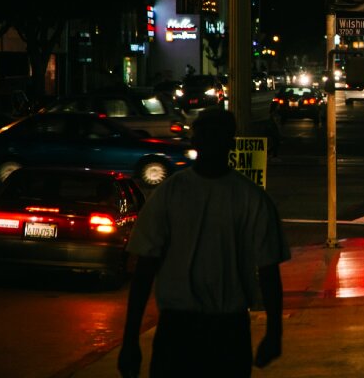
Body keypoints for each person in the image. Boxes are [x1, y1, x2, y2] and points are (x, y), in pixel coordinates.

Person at [117, 107, 290, 378]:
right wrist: (274, 333)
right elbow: (268, 271)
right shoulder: (251, 198)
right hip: (226, 331)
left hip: (180, 330)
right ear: (231, 144)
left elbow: (144, 269)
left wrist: (130, 340)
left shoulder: (169, 194)